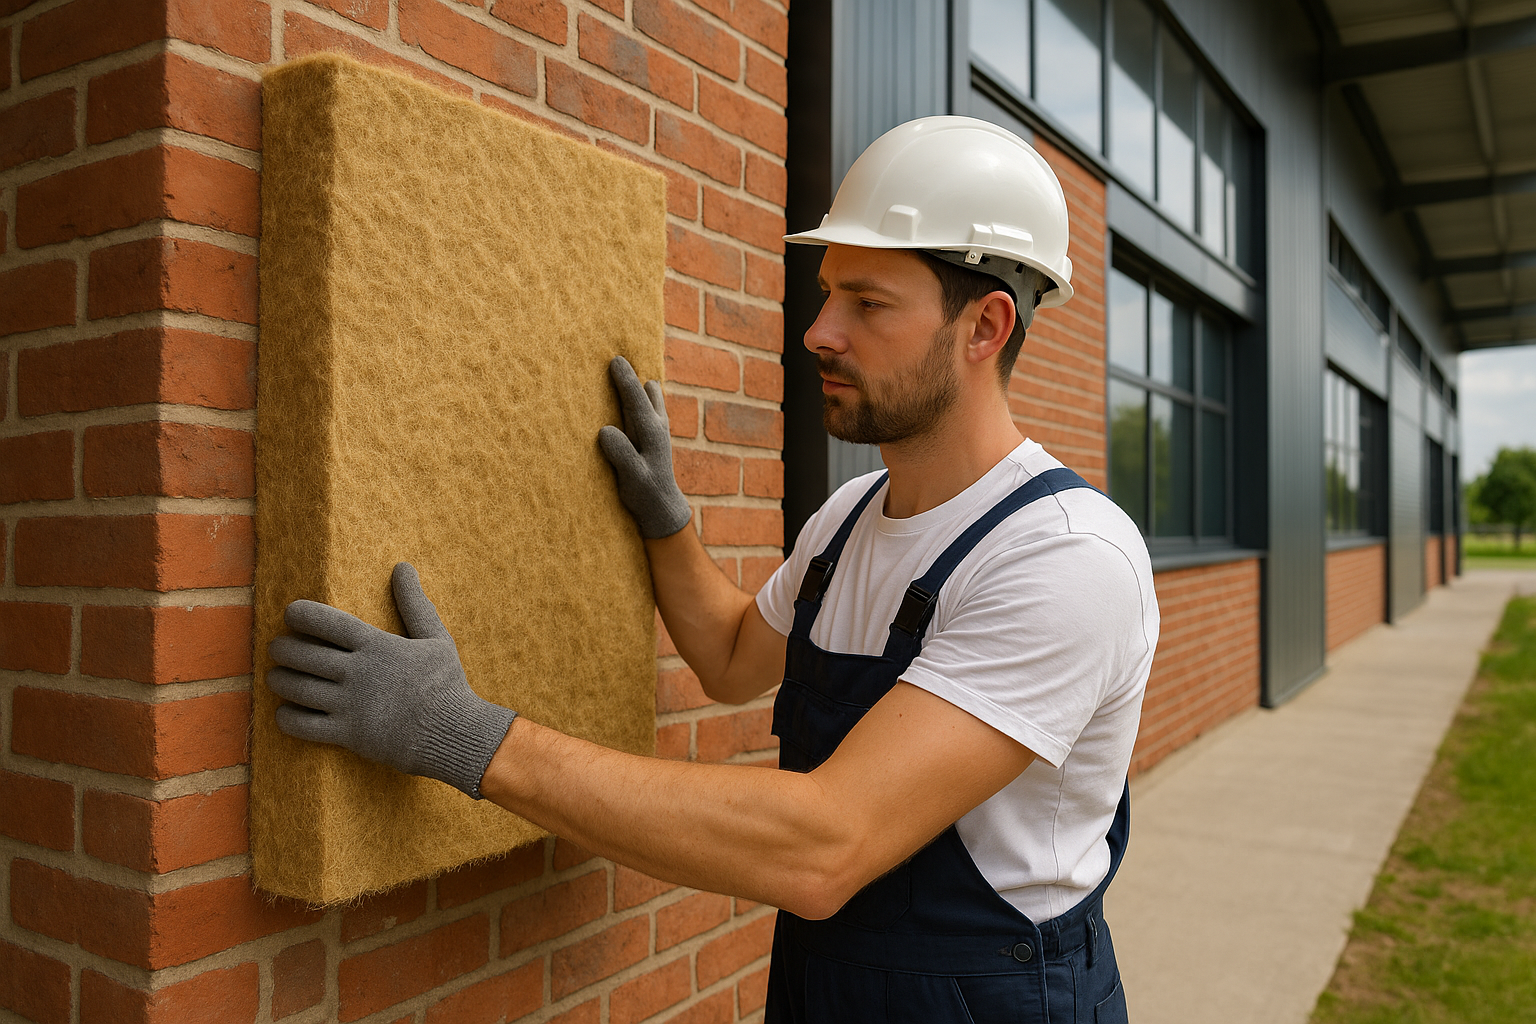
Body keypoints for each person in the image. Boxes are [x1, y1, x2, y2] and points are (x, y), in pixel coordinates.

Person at [268, 116, 1158, 1023]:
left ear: (985, 327)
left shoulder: (1064, 557)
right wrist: (665, 522)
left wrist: (459, 735)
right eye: (826, 296)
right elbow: (731, 654)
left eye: (869, 303)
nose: (819, 332)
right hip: (826, 987)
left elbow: (824, 845)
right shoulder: (848, 521)